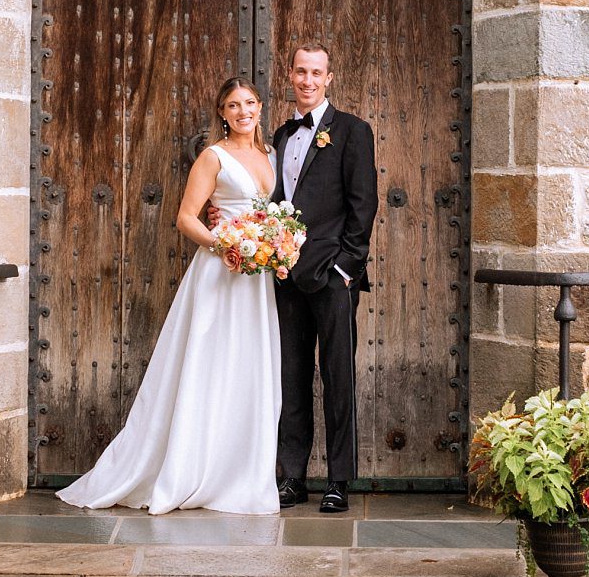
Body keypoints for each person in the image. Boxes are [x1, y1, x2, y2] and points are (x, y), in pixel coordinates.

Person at [56, 77, 281, 515]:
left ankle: (241, 471)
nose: (243, 112)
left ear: (260, 106)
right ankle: (190, 468)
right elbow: (185, 217)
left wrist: (270, 244)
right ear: (222, 112)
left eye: (249, 103)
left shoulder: (270, 155)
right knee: (209, 366)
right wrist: (226, 246)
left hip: (258, 278)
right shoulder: (212, 157)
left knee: (250, 368)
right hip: (222, 272)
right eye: (233, 105)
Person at [271, 43, 379, 514]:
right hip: (285, 276)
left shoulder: (353, 131)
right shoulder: (280, 134)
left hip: (333, 278)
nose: (308, 81)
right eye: (300, 72)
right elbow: (273, 198)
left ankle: (339, 480)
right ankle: (292, 477)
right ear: (290, 75)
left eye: (316, 73)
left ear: (329, 78)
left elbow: (364, 204)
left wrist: (346, 268)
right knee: (291, 376)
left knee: (337, 377)